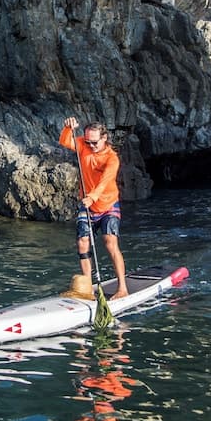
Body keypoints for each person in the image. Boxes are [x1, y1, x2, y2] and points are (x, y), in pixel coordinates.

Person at [59, 116, 128, 299]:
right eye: (88, 142)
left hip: (107, 204)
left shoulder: (112, 159)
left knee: (110, 241)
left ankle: (122, 288)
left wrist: (93, 197)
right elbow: (65, 141)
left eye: (94, 143)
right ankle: (87, 288)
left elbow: (105, 181)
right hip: (88, 205)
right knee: (82, 242)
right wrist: (68, 128)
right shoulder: (83, 145)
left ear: (104, 138)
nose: (90, 146)